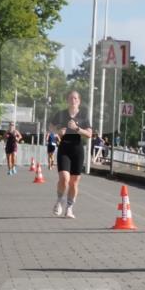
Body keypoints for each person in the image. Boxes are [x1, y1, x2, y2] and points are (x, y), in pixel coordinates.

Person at [49, 90, 93, 218]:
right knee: (64, 178)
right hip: (64, 148)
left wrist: (77, 128)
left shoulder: (84, 116)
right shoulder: (61, 114)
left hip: (77, 150)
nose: (73, 100)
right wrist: (57, 131)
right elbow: (50, 126)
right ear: (67, 100)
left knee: (74, 183)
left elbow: (89, 134)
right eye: (70, 98)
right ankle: (59, 201)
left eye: (75, 98)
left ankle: (69, 208)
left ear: (79, 101)